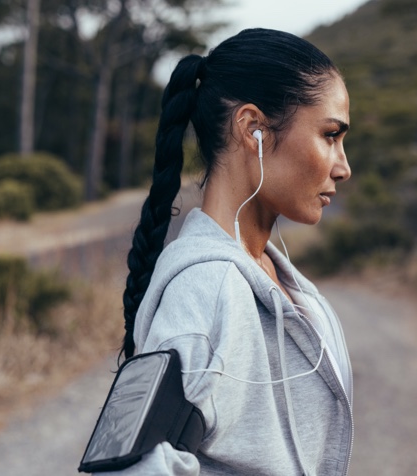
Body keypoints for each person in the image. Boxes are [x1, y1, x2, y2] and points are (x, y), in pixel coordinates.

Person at [115, 28, 354, 475]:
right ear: (253, 129)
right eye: (329, 135)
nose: (343, 167)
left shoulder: (273, 275)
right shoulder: (205, 287)